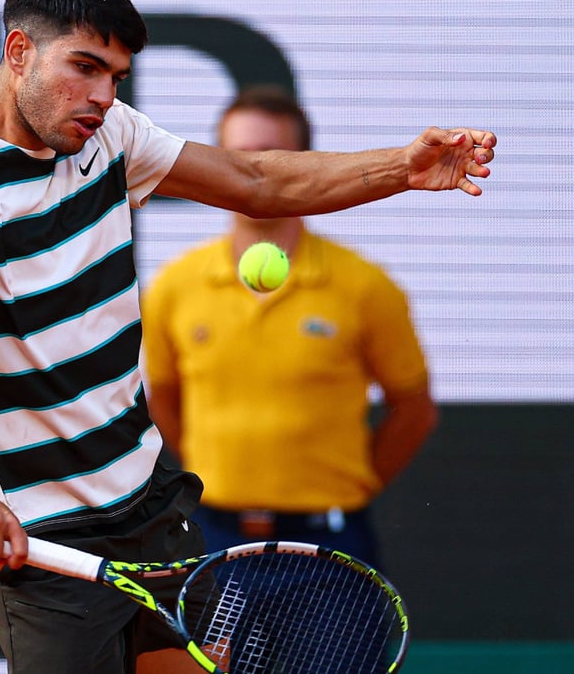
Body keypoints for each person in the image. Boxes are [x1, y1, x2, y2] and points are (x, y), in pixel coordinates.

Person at [0, 0, 495, 674]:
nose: (104, 95)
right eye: (85, 67)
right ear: (19, 53)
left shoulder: (109, 138)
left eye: (116, 77)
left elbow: (257, 180)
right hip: (42, 535)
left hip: (149, 505)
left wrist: (401, 169)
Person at [141, 86, 438, 570]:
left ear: (304, 166)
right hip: (214, 536)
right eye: (235, 156)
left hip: (331, 540)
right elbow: (165, 398)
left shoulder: (366, 286)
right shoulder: (175, 286)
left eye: (269, 157)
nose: (251, 170)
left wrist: (346, 487)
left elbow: (414, 410)